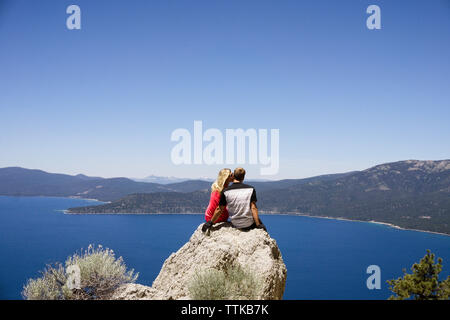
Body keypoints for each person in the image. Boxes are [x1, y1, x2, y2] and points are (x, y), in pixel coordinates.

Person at [202, 167, 266, 233]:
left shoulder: (222, 189)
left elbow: (219, 208)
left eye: (232, 174)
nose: (232, 175)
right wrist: (259, 224)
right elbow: (253, 208)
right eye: (230, 174)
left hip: (231, 222)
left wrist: (210, 222)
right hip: (219, 218)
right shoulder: (250, 189)